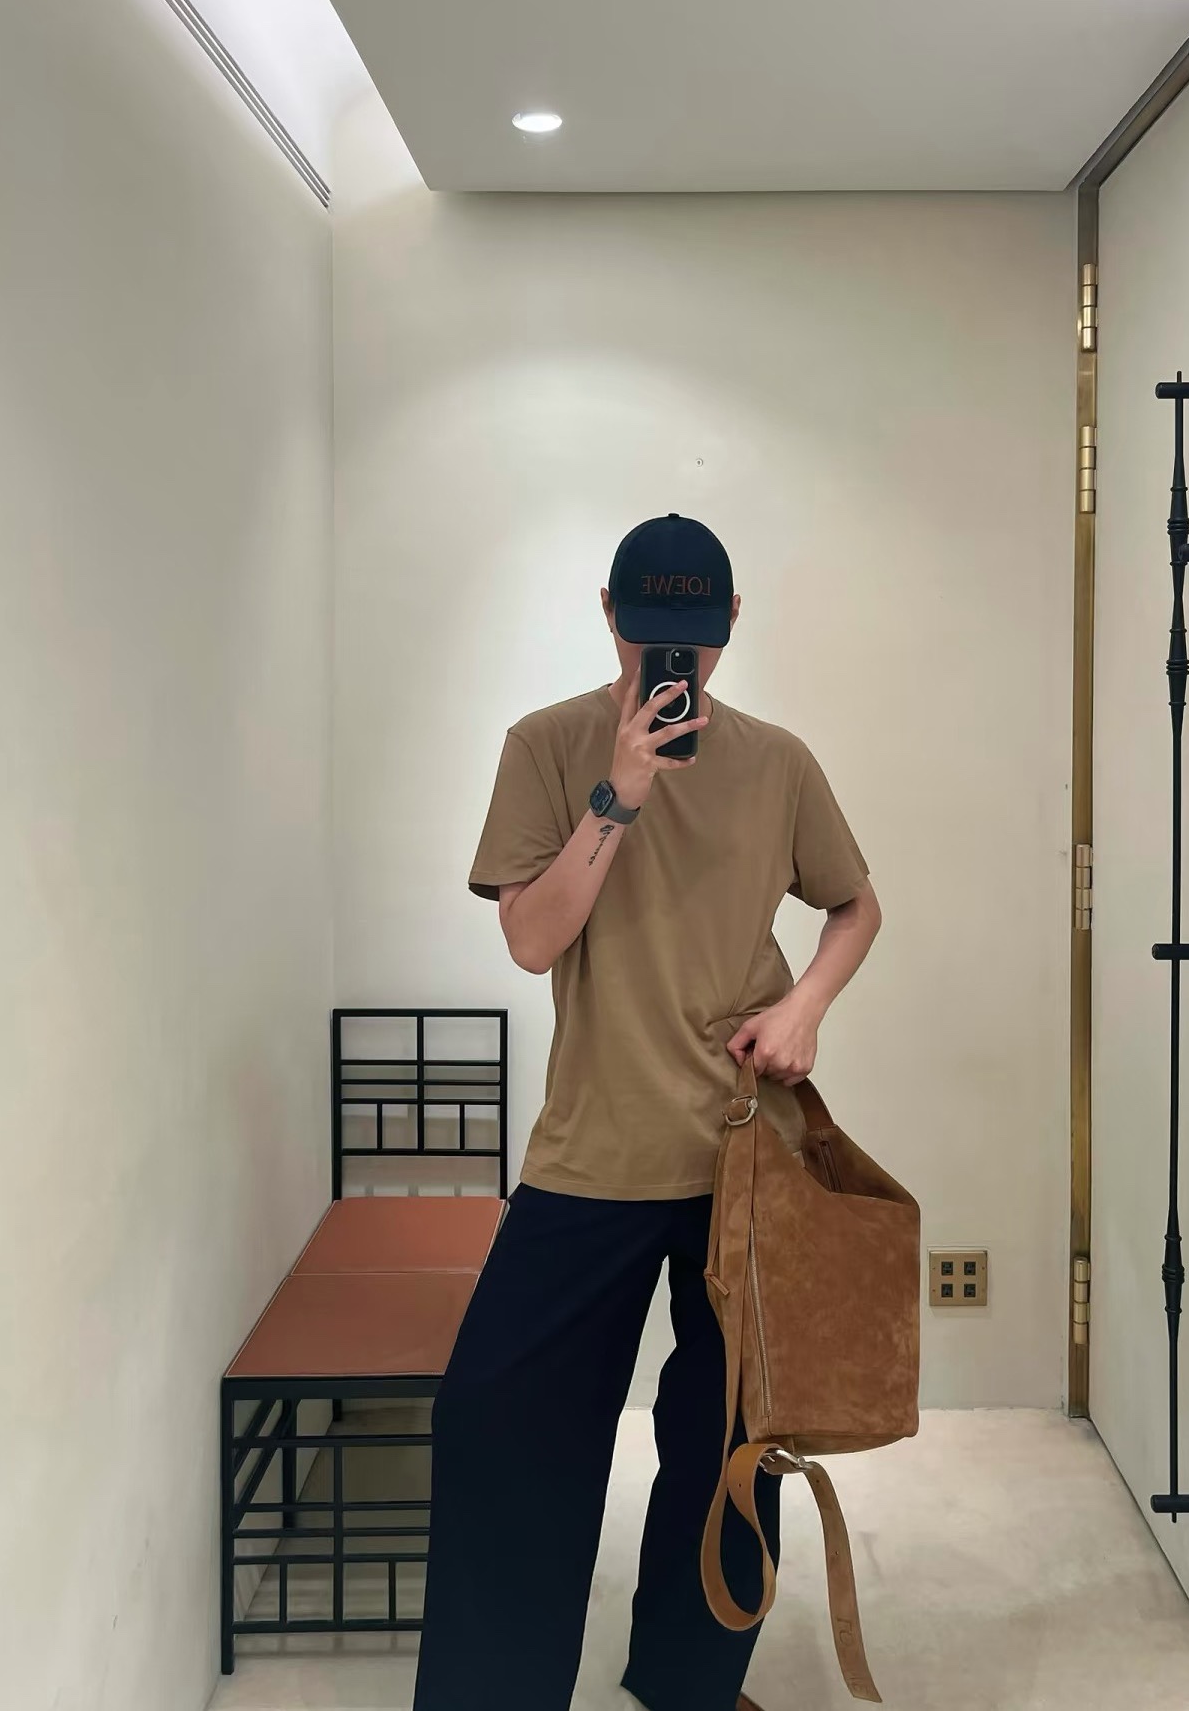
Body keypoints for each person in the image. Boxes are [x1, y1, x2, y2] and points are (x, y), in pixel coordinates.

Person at [413, 514, 881, 1711]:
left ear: (731, 624)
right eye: (650, 635)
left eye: (697, 637)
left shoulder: (777, 762)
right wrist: (617, 795)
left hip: (746, 1152)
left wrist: (807, 1005)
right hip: (596, 1149)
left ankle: (688, 1685)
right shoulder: (546, 746)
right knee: (498, 1429)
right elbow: (531, 941)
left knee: (732, 1447)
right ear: (610, 616)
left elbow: (855, 906)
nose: (674, 662)